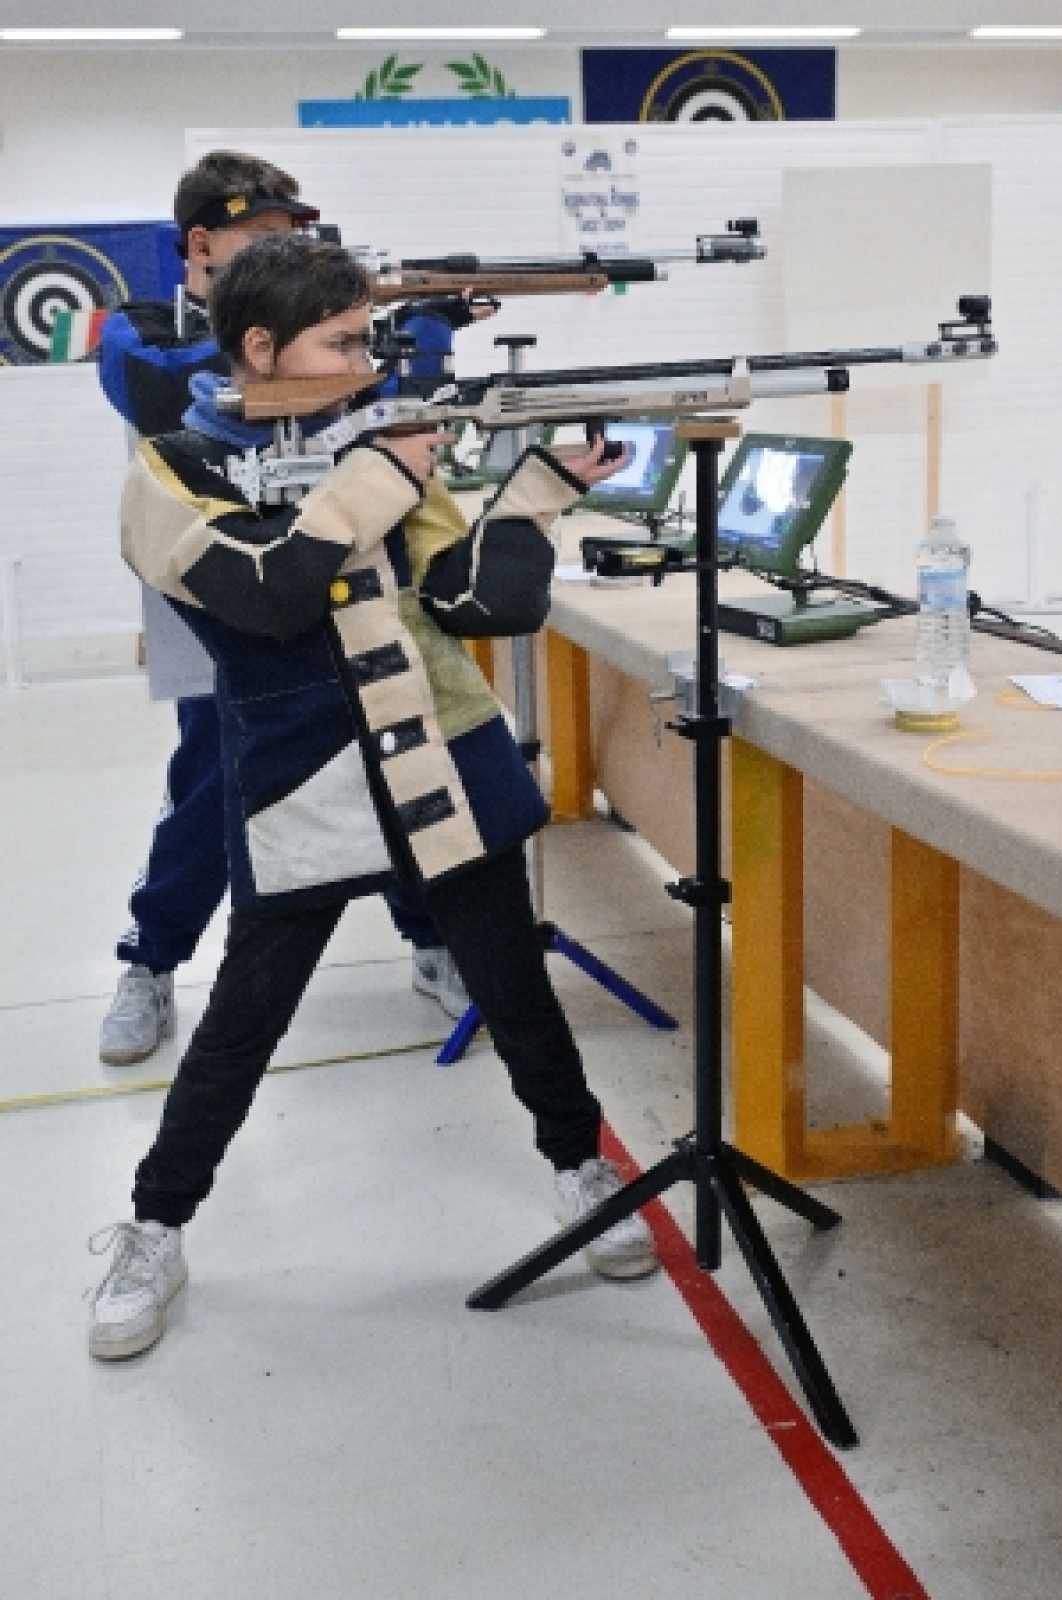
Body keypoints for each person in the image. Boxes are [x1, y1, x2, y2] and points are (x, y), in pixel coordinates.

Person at [88, 233, 658, 1359]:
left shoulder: (376, 448)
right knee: (242, 1022)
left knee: (516, 989)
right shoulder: (172, 471)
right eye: (343, 343)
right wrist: (383, 475)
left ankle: (579, 1165)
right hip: (300, 777)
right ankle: (155, 1227)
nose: (368, 363)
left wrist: (536, 494)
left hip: (441, 755)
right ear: (260, 347)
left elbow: (477, 603)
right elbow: (267, 595)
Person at [96, 150, 475, 1066]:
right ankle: (150, 961)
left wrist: (416, 334)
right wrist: (304, 325)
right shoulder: (142, 330)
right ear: (202, 243)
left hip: (336, 569)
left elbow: (390, 408)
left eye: (295, 237)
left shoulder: (321, 332)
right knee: (213, 783)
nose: (286, 250)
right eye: (265, 236)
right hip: (215, 585)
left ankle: (432, 940)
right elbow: (170, 385)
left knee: (390, 756)